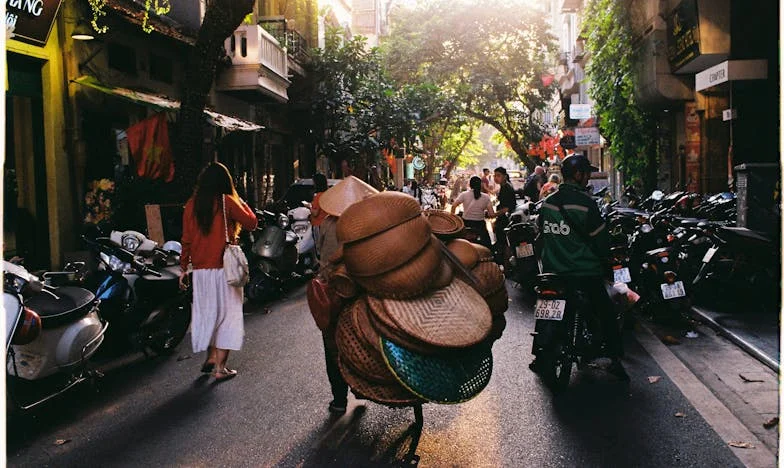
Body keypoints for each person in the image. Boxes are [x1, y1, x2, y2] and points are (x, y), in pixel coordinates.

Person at [531, 154, 628, 380]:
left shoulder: (548, 204)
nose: (588, 178)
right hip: (584, 273)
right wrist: (605, 260)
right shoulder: (586, 205)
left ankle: (538, 355)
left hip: (553, 272)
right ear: (578, 175)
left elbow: (541, 236)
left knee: (545, 309)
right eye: (586, 174)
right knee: (606, 312)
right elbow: (601, 241)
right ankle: (614, 358)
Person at [179, 162, 258, 382]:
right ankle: (220, 368)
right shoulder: (227, 202)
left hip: (202, 272)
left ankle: (211, 356)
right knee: (228, 316)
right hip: (225, 270)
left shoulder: (191, 205)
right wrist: (241, 201)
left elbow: (185, 240)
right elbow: (251, 223)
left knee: (209, 315)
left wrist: (184, 267)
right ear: (225, 182)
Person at [313, 176, 379, 414]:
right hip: (359, 294)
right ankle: (359, 388)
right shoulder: (366, 225)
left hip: (331, 293)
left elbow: (320, 253)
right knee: (358, 341)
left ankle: (339, 399)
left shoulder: (327, 224)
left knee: (333, 344)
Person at [451, 176, 496, 248]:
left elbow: (453, 206)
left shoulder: (464, 194)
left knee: (457, 245)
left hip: (466, 223)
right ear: (480, 185)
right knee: (488, 247)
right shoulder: (486, 197)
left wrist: (453, 218)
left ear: (470, 185)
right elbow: (492, 214)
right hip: (480, 225)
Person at [493, 167, 517, 261]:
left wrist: (494, 215)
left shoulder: (507, 187)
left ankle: (505, 265)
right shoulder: (503, 186)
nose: (496, 178)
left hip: (506, 220)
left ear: (504, 176)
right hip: (503, 218)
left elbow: (507, 207)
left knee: (504, 243)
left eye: (498, 176)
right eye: (495, 175)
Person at [310, 173, 329, 258]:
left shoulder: (318, 196)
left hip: (318, 224)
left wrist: (309, 207)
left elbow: (315, 213)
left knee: (319, 247)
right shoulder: (327, 195)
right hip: (326, 224)